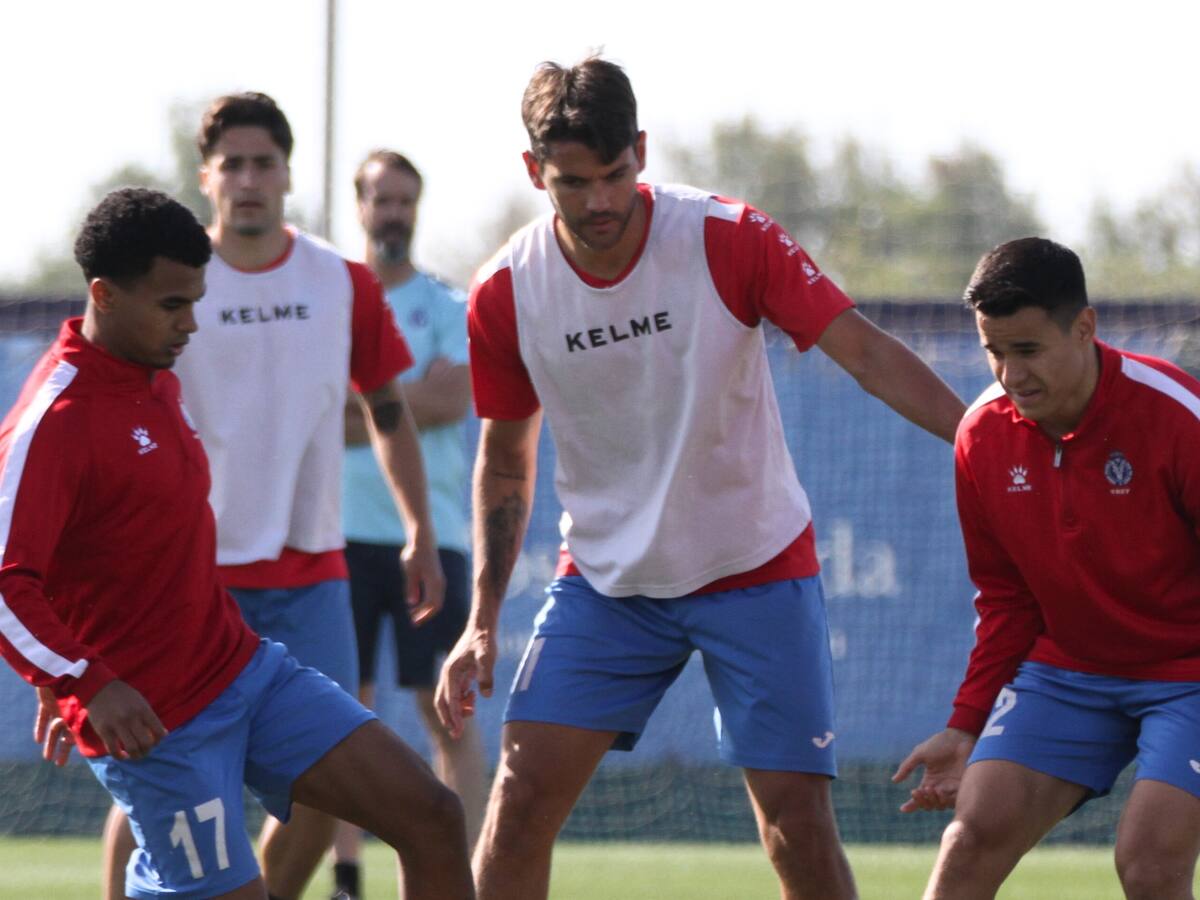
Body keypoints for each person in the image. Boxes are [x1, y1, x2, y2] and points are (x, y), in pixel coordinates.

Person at [434, 56, 965, 900]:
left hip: (754, 567)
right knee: (519, 797)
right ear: (535, 173)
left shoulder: (728, 235)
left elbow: (861, 351)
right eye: (574, 182)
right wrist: (482, 621)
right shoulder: (505, 290)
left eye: (615, 174)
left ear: (641, 151)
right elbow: (504, 459)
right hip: (606, 584)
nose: (600, 201)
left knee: (794, 826)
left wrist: (983, 434)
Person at [0, 188, 474, 900]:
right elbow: (8, 580)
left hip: (244, 672)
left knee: (433, 815)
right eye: (172, 306)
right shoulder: (56, 416)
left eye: (197, 300)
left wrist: (62, 667)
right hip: (157, 727)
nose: (192, 323)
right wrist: (80, 681)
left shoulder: (153, 377)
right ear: (103, 295)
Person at [101, 93, 445, 900]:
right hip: (187, 581)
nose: (249, 179)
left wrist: (420, 529)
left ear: (288, 174)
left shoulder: (339, 280)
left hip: (310, 574)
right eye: (234, 165)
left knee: (327, 791)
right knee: (162, 772)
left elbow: (389, 410)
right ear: (207, 176)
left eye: (265, 164)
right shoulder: (169, 283)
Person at [893, 237, 1200, 900]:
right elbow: (1006, 601)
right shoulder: (981, 434)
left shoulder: (1176, 415)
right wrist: (965, 722)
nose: (1009, 374)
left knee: (1148, 860)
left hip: (1191, 677)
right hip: (1071, 674)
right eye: (993, 352)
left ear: (1084, 328)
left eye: (1027, 350)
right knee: (972, 836)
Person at [329, 150, 486, 900]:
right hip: (335, 534)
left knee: (446, 708)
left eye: (405, 200)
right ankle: (348, 873)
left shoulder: (446, 305)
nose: (393, 212)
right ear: (359, 205)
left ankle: (474, 871)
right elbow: (317, 414)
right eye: (381, 199)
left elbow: (453, 401)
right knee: (341, 710)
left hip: (434, 533)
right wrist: (395, 404)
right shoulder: (334, 298)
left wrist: (366, 406)